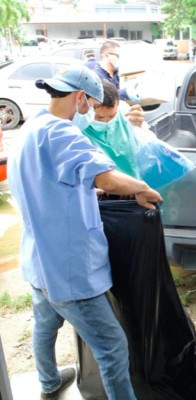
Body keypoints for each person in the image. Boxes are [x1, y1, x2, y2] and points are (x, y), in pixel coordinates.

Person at [7, 65, 162, 400]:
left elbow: (49, 181)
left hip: (39, 261)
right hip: (68, 269)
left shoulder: (31, 127)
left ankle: (49, 381)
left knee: (45, 324)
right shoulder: (63, 132)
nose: (91, 112)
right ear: (79, 97)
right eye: (91, 105)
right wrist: (140, 187)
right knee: (112, 347)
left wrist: (91, 189)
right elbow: (107, 176)